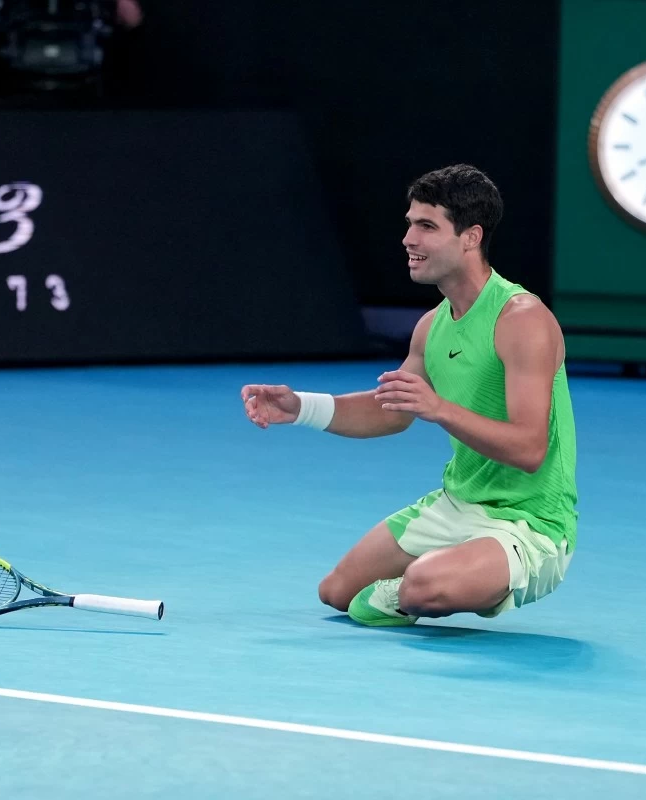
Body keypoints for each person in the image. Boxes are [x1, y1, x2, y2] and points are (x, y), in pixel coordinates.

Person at [241, 164, 578, 626]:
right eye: (409, 224)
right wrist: (300, 407)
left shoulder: (521, 318)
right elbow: (391, 414)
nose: (408, 239)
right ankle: (442, 570)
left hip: (530, 524)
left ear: (471, 237)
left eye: (426, 226)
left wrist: (439, 409)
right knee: (336, 592)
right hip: (457, 505)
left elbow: (530, 449)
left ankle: (435, 579)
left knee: (423, 587)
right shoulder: (431, 326)